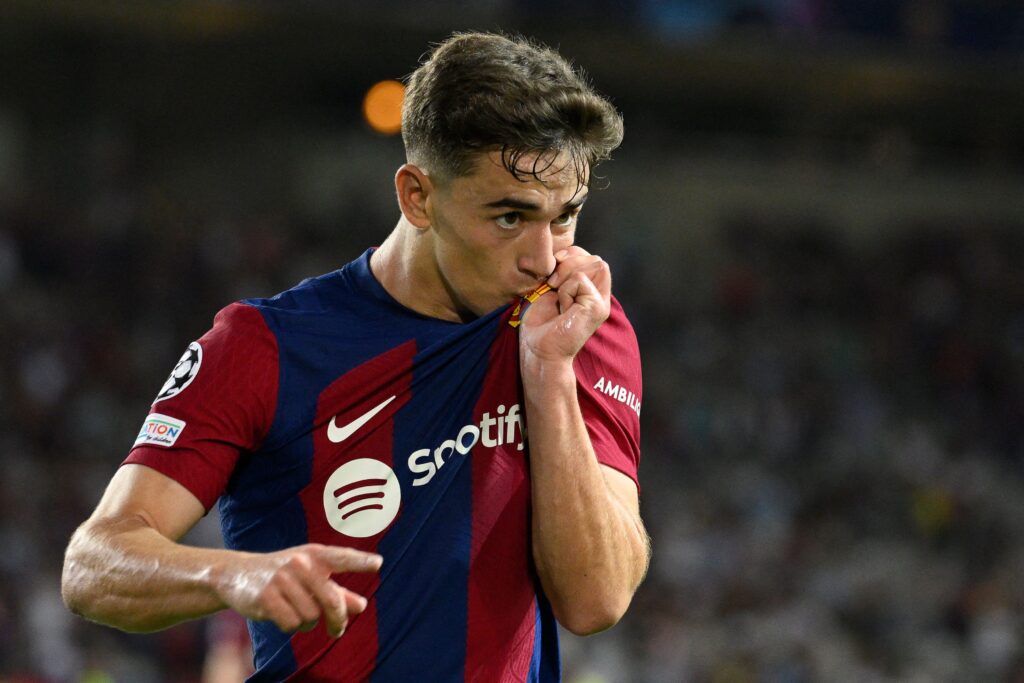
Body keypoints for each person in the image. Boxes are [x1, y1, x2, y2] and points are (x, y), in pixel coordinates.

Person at [62, 31, 650, 681]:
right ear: (417, 196)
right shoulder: (267, 346)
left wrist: (548, 371)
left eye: (564, 217)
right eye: (510, 217)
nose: (543, 257)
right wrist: (233, 574)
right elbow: (93, 563)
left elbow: (597, 599)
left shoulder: (578, 320)